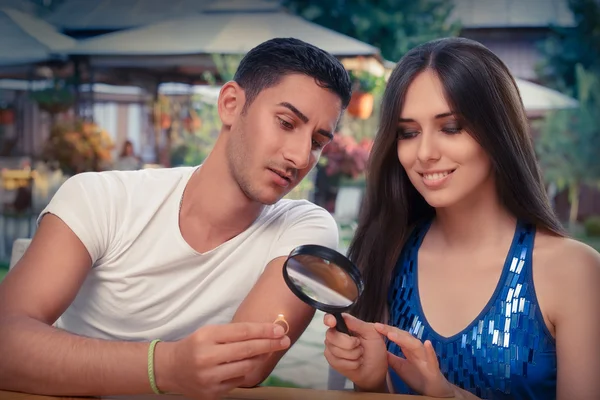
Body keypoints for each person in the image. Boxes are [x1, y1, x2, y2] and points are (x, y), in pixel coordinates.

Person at [0, 38, 352, 399]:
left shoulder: (305, 228)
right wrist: (164, 366)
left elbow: (246, 365)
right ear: (231, 104)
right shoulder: (102, 199)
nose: (299, 156)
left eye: (317, 141)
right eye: (286, 122)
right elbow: (5, 342)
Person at [323, 37, 600, 400]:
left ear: (498, 132)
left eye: (450, 127)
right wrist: (374, 383)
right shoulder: (385, 255)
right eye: (408, 133)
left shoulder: (573, 270)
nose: (424, 153)